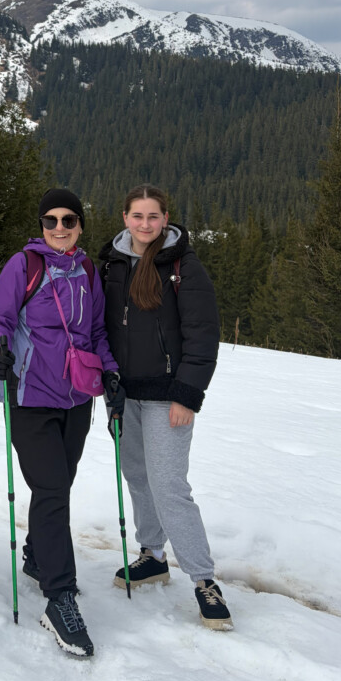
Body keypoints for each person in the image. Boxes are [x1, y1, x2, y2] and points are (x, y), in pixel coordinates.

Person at [0, 188, 121, 658]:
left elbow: (97, 331)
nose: (59, 228)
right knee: (52, 489)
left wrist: (111, 372)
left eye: (68, 220)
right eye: (51, 220)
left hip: (77, 397)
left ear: (80, 225)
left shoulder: (87, 271)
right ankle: (59, 597)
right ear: (41, 225)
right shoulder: (24, 265)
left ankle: (37, 555)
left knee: (60, 483)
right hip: (29, 396)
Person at [98, 183, 232, 630]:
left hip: (168, 397)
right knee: (137, 475)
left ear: (165, 219)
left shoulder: (182, 267)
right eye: (137, 216)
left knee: (170, 486)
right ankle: (152, 555)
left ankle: (204, 580)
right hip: (123, 393)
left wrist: (187, 394)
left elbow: (203, 335)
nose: (145, 224)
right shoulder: (111, 264)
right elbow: (101, 327)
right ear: (125, 218)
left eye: (153, 216)